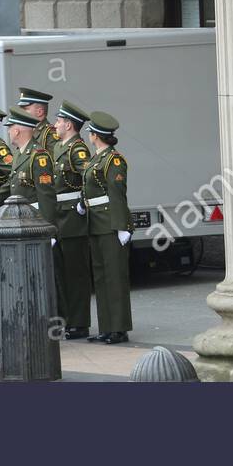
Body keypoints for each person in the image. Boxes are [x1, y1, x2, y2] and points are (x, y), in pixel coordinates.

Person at [82, 111, 132, 344]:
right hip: (95, 222)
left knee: (115, 277)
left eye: (90, 132)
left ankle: (119, 328)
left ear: (96, 135)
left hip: (110, 223)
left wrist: (122, 226)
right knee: (101, 278)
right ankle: (106, 326)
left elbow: (116, 194)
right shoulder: (96, 159)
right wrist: (84, 205)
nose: (88, 135)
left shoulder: (113, 160)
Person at [52, 100, 93, 340]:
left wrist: (83, 202)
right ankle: (67, 319)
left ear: (68, 124)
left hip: (72, 218)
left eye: (58, 121)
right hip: (59, 216)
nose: (55, 125)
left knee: (76, 274)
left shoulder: (77, 149)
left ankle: (79, 323)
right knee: (61, 272)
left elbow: (90, 176)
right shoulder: (60, 147)